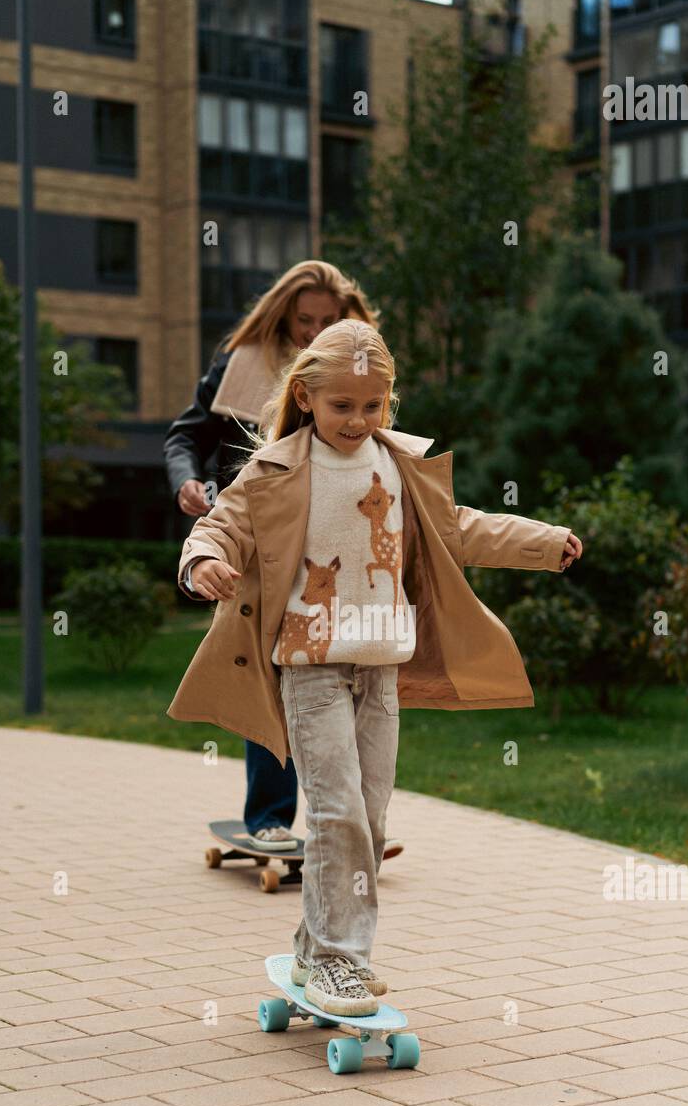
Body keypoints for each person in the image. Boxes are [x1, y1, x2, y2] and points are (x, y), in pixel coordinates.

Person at [167, 321, 583, 1018]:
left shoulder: (397, 466)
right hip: (311, 666)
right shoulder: (275, 469)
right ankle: (339, 963)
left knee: (372, 817)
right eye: (342, 407)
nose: (358, 420)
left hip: (379, 667)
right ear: (306, 396)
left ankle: (311, 947)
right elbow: (218, 526)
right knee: (335, 813)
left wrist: (544, 543)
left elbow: (462, 527)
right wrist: (202, 561)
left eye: (373, 406)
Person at [163, 261, 379, 852]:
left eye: (327, 320)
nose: (314, 331)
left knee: (346, 676)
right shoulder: (241, 364)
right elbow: (187, 436)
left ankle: (345, 818)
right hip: (257, 541)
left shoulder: (355, 369)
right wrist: (187, 481)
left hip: (334, 541)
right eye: (304, 320)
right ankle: (270, 818)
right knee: (271, 672)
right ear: (284, 315)